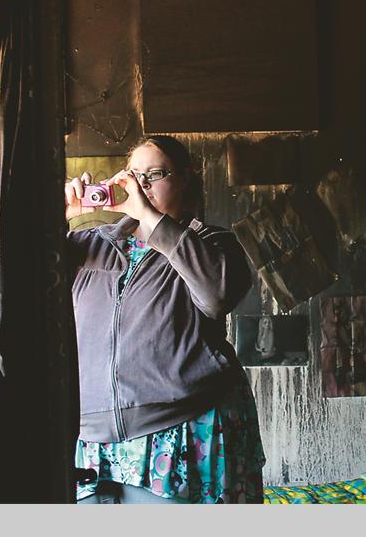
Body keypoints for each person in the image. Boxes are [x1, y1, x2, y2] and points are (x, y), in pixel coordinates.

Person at [64, 136, 265, 504]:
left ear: (185, 179)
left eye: (155, 174)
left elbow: (217, 295)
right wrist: (57, 217)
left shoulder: (211, 242)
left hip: (184, 430)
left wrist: (151, 219)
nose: (142, 184)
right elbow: (14, 290)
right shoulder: (88, 245)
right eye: (134, 174)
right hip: (93, 440)